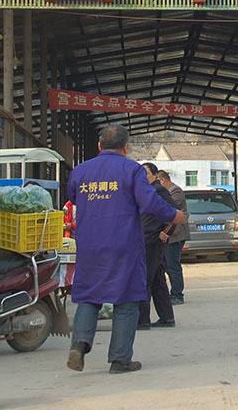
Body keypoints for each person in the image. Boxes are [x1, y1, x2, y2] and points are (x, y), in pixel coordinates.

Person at [66, 125, 183, 374]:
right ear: (125, 147)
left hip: (89, 245)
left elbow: (74, 198)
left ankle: (79, 344)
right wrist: (174, 214)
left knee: (89, 296)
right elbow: (149, 202)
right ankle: (120, 360)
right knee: (127, 298)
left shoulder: (80, 171)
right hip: (124, 244)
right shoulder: (131, 170)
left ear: (99, 146)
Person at [138, 162, 178, 330]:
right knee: (157, 280)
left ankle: (142, 321)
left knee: (145, 279)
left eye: (146, 173)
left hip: (152, 240)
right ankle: (167, 318)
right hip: (147, 238)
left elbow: (175, 212)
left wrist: (166, 231)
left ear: (154, 175)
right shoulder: (146, 191)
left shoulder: (158, 190)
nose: (143, 176)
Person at [156, 170, 188, 305]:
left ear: (162, 180)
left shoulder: (176, 192)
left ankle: (177, 294)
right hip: (166, 233)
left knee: (172, 265)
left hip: (174, 234)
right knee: (164, 265)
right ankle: (170, 293)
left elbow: (168, 209)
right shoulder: (166, 191)